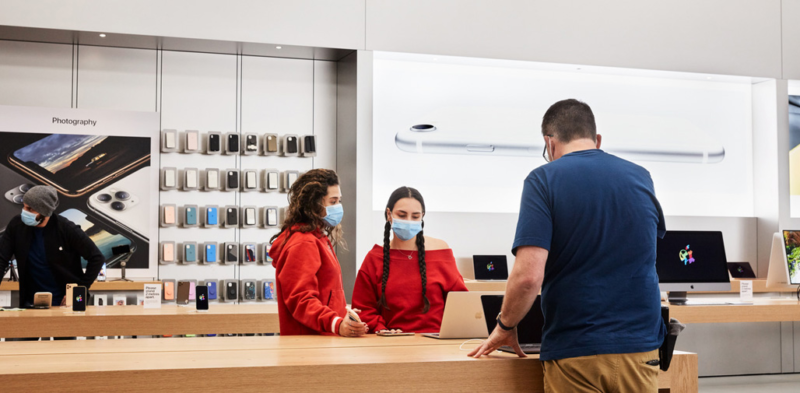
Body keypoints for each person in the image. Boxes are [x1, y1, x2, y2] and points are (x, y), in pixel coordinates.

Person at [469, 99, 667, 393]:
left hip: (577, 349)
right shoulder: (641, 177)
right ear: (597, 139)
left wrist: (505, 327)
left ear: (549, 143)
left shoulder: (543, 179)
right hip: (641, 348)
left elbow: (527, 278)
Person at [352, 186, 467, 333]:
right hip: (390, 344)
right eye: (402, 215)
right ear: (389, 214)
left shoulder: (440, 252)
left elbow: (461, 302)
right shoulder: (374, 258)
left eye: (415, 217)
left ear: (422, 217)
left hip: (437, 344)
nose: (408, 221)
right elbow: (364, 308)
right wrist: (382, 330)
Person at [269, 169, 368, 337]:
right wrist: (336, 324)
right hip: (310, 346)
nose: (338, 206)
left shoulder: (316, 238)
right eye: (333, 201)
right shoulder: (303, 243)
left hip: (322, 342)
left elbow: (326, 292)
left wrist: (342, 314)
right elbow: (301, 300)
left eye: (339, 201)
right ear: (314, 203)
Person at [0, 185, 105, 308]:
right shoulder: (16, 225)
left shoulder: (66, 228)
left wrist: (79, 289)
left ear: (44, 211)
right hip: (30, 302)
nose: (24, 212)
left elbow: (97, 258)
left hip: (68, 302)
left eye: (30, 209)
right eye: (24, 207)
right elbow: (1, 259)